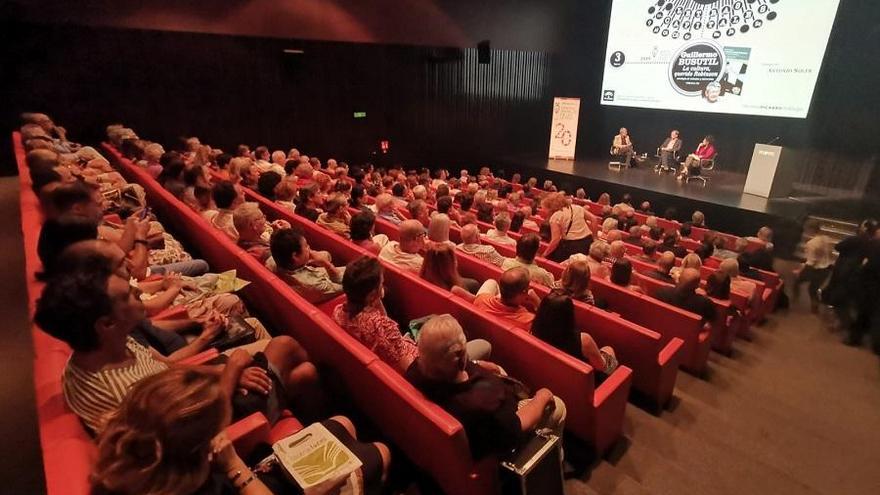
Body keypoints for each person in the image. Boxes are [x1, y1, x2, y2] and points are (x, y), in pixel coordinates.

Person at [33, 265, 317, 432]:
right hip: (210, 425)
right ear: (106, 323)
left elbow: (166, 368)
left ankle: (301, 411)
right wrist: (231, 370)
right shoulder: (127, 390)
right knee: (285, 346)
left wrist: (224, 374)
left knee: (304, 373)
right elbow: (195, 431)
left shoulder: (108, 343)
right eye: (130, 296)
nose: (139, 294)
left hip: (194, 394)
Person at [90, 368, 389, 495]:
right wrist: (234, 465)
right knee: (381, 453)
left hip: (251, 474)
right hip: (249, 479)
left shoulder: (147, 466)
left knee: (342, 422)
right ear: (198, 449)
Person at [406, 314, 565, 459]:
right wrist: (541, 398)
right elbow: (517, 426)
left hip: (469, 430)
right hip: (498, 443)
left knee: (498, 370)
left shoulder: (415, 372)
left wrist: (475, 364)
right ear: (461, 357)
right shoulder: (487, 402)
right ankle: (552, 458)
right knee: (558, 405)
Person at [334, 257, 490, 373]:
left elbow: (383, 327)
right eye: (381, 284)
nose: (383, 286)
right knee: (482, 344)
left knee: (441, 319)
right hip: (428, 362)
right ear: (370, 294)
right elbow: (412, 370)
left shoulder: (339, 311)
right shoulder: (383, 328)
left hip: (405, 347)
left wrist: (376, 299)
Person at [532, 291, 618, 374]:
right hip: (586, 384)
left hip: (550, 374)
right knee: (609, 349)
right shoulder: (584, 340)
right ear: (568, 315)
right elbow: (601, 367)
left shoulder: (533, 330)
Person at [269, 228, 344, 304]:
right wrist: (326, 264)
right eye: (306, 246)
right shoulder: (315, 285)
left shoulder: (272, 261)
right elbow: (346, 286)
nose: (309, 248)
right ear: (295, 256)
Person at [472, 267, 541, 330]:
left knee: (491, 282)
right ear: (524, 292)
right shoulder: (528, 321)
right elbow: (545, 324)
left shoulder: (480, 299)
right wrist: (537, 301)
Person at [542, 192, 596, 263]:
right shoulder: (577, 208)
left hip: (572, 247)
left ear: (550, 207)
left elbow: (555, 240)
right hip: (588, 242)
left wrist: (544, 255)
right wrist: (594, 237)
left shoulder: (556, 216)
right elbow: (594, 219)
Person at [792, 220, 834, 313]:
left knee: (797, 281)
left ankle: (793, 300)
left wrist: (799, 271)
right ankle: (815, 307)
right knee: (813, 289)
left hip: (815, 269)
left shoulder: (811, 243)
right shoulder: (827, 239)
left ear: (811, 229)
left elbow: (811, 262)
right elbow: (830, 254)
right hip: (827, 269)